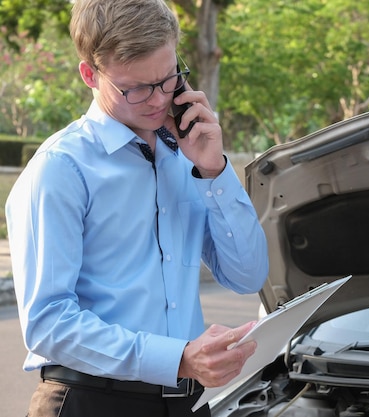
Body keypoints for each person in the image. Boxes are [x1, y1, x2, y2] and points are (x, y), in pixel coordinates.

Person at [5, 0, 269, 415]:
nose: (158, 99)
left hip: (186, 402)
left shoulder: (187, 155)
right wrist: (178, 357)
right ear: (89, 74)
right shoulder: (60, 169)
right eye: (135, 88)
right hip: (88, 402)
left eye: (168, 79)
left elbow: (247, 274)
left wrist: (215, 170)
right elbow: (49, 324)